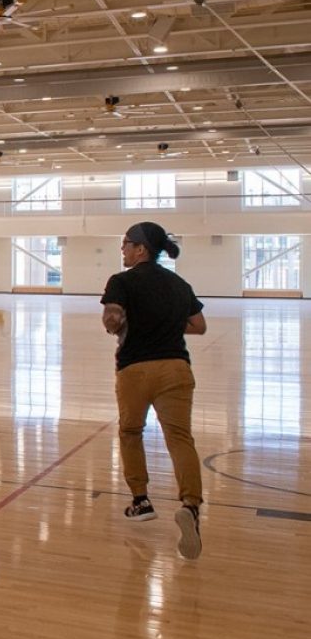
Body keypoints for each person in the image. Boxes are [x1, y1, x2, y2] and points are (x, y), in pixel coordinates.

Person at [101, 221, 206, 559]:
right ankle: (190, 506)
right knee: (180, 438)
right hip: (177, 368)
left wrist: (122, 320)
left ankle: (141, 501)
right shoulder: (179, 284)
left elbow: (111, 321)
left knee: (131, 431)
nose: (122, 250)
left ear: (141, 249)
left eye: (126, 244)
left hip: (136, 370)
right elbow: (199, 326)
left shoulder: (122, 281)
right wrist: (164, 323)